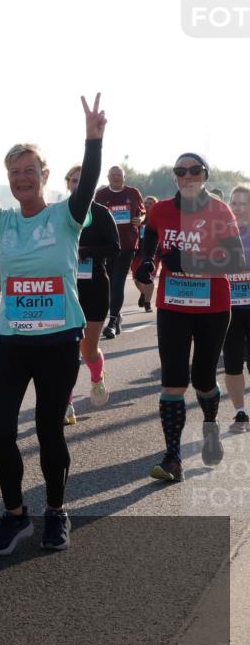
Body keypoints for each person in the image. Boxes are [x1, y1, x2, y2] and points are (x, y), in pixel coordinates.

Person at [0, 93, 107, 554]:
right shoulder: (1, 222)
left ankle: (56, 511)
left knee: (49, 428)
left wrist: (94, 141)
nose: (21, 179)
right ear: (8, 181)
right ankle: (15, 515)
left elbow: (88, 184)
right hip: (11, 343)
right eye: (14, 173)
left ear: (44, 176)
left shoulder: (68, 215)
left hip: (57, 342)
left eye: (30, 171)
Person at [136, 154, 246, 481]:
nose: (187, 176)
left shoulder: (219, 211)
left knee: (203, 379)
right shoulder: (161, 210)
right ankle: (173, 457)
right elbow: (151, 238)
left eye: (194, 170)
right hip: (172, 306)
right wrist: (147, 263)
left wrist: (189, 263)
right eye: (180, 171)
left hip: (213, 307)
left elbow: (235, 260)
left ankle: (210, 428)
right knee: (173, 380)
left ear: (205, 175)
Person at [63, 165, 120, 425]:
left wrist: (85, 251)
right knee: (67, 350)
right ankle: (66, 403)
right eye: (74, 181)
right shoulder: (58, 213)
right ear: (68, 184)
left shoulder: (101, 213)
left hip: (95, 285)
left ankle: (97, 379)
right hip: (66, 288)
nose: (77, 185)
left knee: (88, 348)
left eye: (82, 181)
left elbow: (115, 248)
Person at [96, 166, 145, 339]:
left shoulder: (133, 193)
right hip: (107, 246)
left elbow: (142, 212)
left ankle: (111, 321)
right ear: (108, 177)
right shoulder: (101, 195)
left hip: (127, 245)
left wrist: (140, 219)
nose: (116, 178)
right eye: (113, 175)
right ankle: (117, 317)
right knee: (110, 284)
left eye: (119, 175)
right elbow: (94, 217)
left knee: (117, 282)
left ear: (124, 177)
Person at [222, 185, 250, 433]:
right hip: (228, 309)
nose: (238, 208)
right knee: (232, 363)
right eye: (235, 203)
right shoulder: (220, 233)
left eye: (243, 203)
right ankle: (240, 413)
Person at [132, 194, 159, 312]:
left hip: (152, 253)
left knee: (149, 278)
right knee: (137, 279)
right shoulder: (139, 218)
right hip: (138, 253)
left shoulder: (158, 219)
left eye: (150, 204)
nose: (147, 205)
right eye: (146, 203)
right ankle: (144, 293)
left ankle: (147, 304)